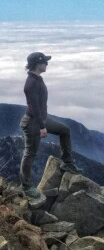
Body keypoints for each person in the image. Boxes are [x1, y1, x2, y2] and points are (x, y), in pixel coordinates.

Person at [19, 52, 82, 199]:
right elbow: (33, 106)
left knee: (65, 130)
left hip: (41, 119)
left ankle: (67, 162)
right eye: (45, 62)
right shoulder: (31, 83)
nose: (47, 64)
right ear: (37, 63)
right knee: (29, 154)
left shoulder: (37, 79)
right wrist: (42, 126)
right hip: (33, 123)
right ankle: (27, 187)